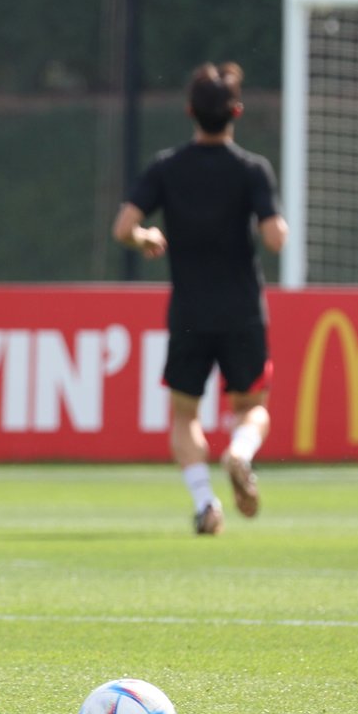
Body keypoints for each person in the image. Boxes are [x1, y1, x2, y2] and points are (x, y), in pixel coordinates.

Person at [112, 62, 288, 536]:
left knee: (186, 413)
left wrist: (147, 236)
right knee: (252, 406)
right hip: (243, 311)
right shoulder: (253, 170)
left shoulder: (168, 167)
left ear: (190, 111)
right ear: (237, 111)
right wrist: (275, 224)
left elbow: (123, 228)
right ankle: (241, 452)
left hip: (190, 311)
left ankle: (205, 501)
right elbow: (274, 238)